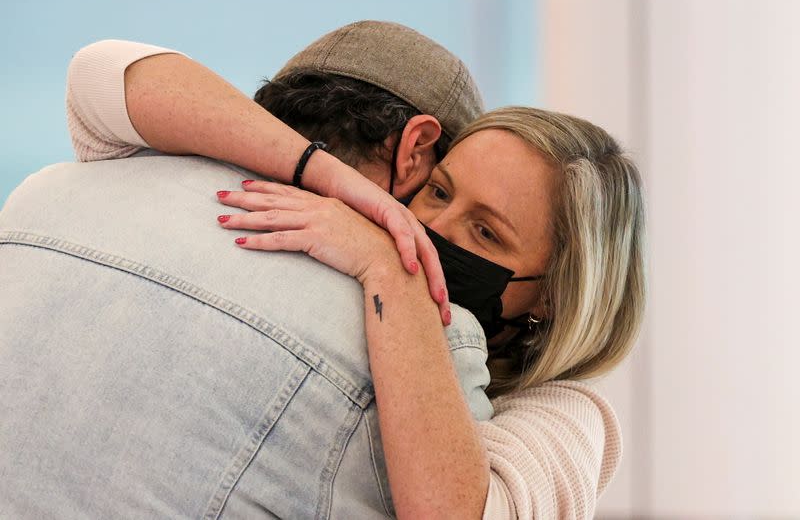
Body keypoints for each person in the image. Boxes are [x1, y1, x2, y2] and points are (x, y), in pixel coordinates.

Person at [52, 32, 643, 518]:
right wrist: (324, 176)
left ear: (556, 297)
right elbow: (101, 74)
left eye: (486, 232)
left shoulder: (565, 418)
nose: (432, 225)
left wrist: (389, 265)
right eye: (437, 192)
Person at [0, 22, 493, 519]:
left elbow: (100, 70)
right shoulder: (426, 337)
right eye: (440, 192)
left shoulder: (51, 190)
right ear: (415, 149)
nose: (441, 229)